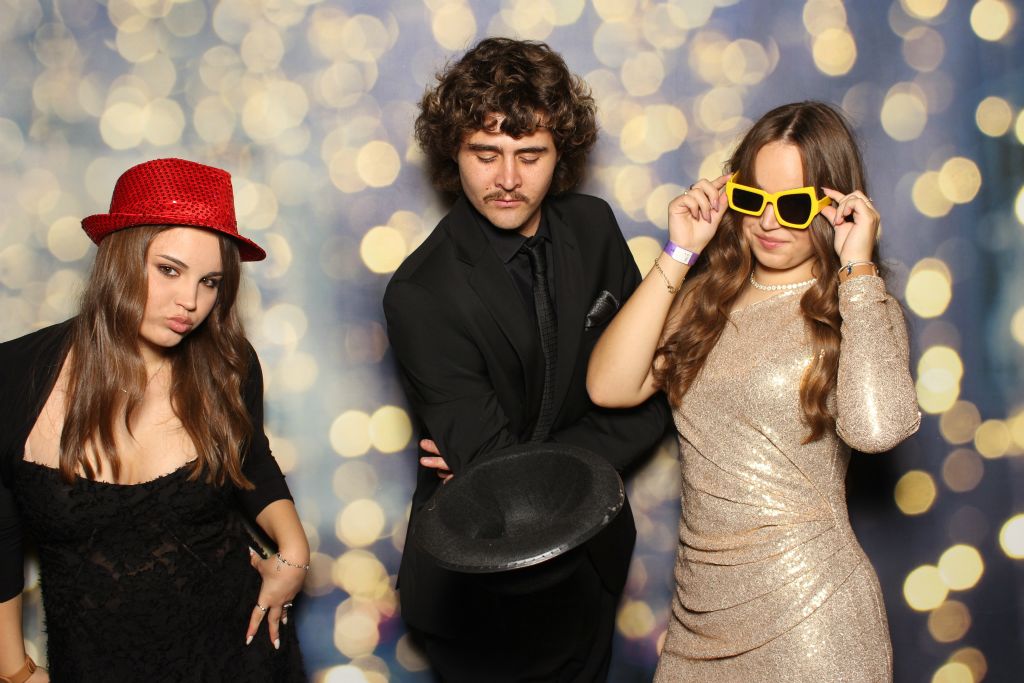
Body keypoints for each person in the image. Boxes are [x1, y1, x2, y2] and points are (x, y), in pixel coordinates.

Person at [587, 101, 921, 681]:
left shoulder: (858, 307)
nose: (768, 221)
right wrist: (681, 250)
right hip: (697, 621)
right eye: (751, 199)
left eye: (791, 206)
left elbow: (877, 430)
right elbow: (609, 386)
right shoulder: (703, 302)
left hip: (813, 618)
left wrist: (858, 269)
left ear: (834, 208)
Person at [383, 37, 670, 681]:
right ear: (453, 151)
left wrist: (518, 464)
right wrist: (507, 469)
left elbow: (652, 404)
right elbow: (499, 488)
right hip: (477, 597)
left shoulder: (595, 229)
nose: (508, 180)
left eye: (530, 155)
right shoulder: (420, 293)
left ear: (560, 151)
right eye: (485, 154)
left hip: (591, 572)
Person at [0, 158, 309, 682]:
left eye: (210, 281)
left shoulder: (229, 364)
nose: (190, 301)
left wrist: (295, 552)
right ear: (119, 258)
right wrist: (14, 671)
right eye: (169, 269)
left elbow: (250, 459)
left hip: (240, 654)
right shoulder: (14, 375)